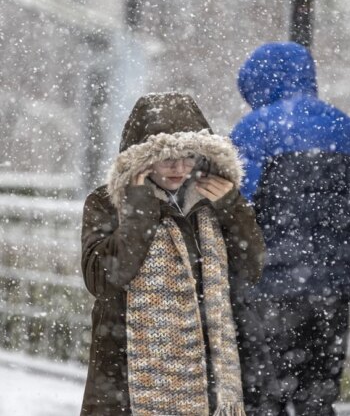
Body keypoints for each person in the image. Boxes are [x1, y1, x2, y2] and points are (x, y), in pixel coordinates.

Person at [80, 92, 266, 415]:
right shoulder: (107, 204)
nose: (179, 168)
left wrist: (233, 209)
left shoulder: (212, 200)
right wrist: (139, 211)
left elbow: (252, 267)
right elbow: (105, 278)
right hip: (125, 385)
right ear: (142, 159)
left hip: (205, 383)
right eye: (167, 159)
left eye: (189, 157)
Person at [231, 42, 350, 415]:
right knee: (318, 396)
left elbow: (236, 210)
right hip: (331, 289)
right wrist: (325, 239)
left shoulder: (252, 131)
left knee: (262, 397)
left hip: (266, 290)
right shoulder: (347, 130)